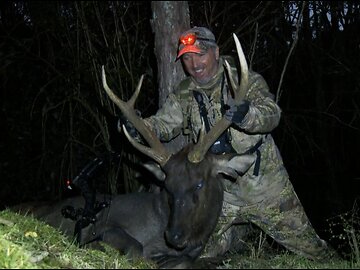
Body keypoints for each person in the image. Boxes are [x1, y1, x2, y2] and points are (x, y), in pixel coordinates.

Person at [125, 26, 336, 261]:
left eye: (200, 54)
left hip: (265, 189)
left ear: (216, 53)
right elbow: (163, 124)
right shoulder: (185, 92)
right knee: (195, 254)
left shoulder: (243, 81)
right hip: (220, 197)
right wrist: (138, 127)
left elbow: (272, 114)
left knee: (316, 254)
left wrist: (247, 115)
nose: (195, 64)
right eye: (187, 58)